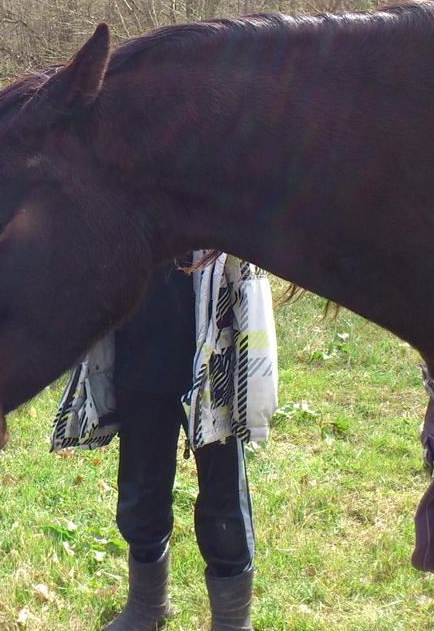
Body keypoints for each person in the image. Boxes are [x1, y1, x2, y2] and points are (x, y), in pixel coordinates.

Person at [52, 254, 277, 631]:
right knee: (140, 489)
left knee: (223, 498)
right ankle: (147, 604)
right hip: (139, 350)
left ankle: (232, 621)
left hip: (211, 355)